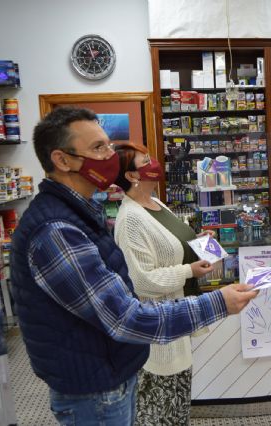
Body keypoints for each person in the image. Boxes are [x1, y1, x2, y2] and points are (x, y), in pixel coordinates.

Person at [10, 107, 257, 425]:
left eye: (108, 146)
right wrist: (218, 303)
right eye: (98, 148)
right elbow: (125, 318)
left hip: (109, 371)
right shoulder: (56, 230)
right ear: (62, 160)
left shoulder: (80, 212)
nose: (110, 156)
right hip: (95, 390)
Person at [112, 142, 213, 425]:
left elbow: (172, 245)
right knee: (160, 413)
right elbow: (142, 280)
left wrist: (197, 242)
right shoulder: (130, 219)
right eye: (146, 161)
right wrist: (189, 271)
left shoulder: (155, 202)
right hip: (157, 333)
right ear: (132, 176)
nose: (154, 163)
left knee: (178, 408)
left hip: (174, 321)